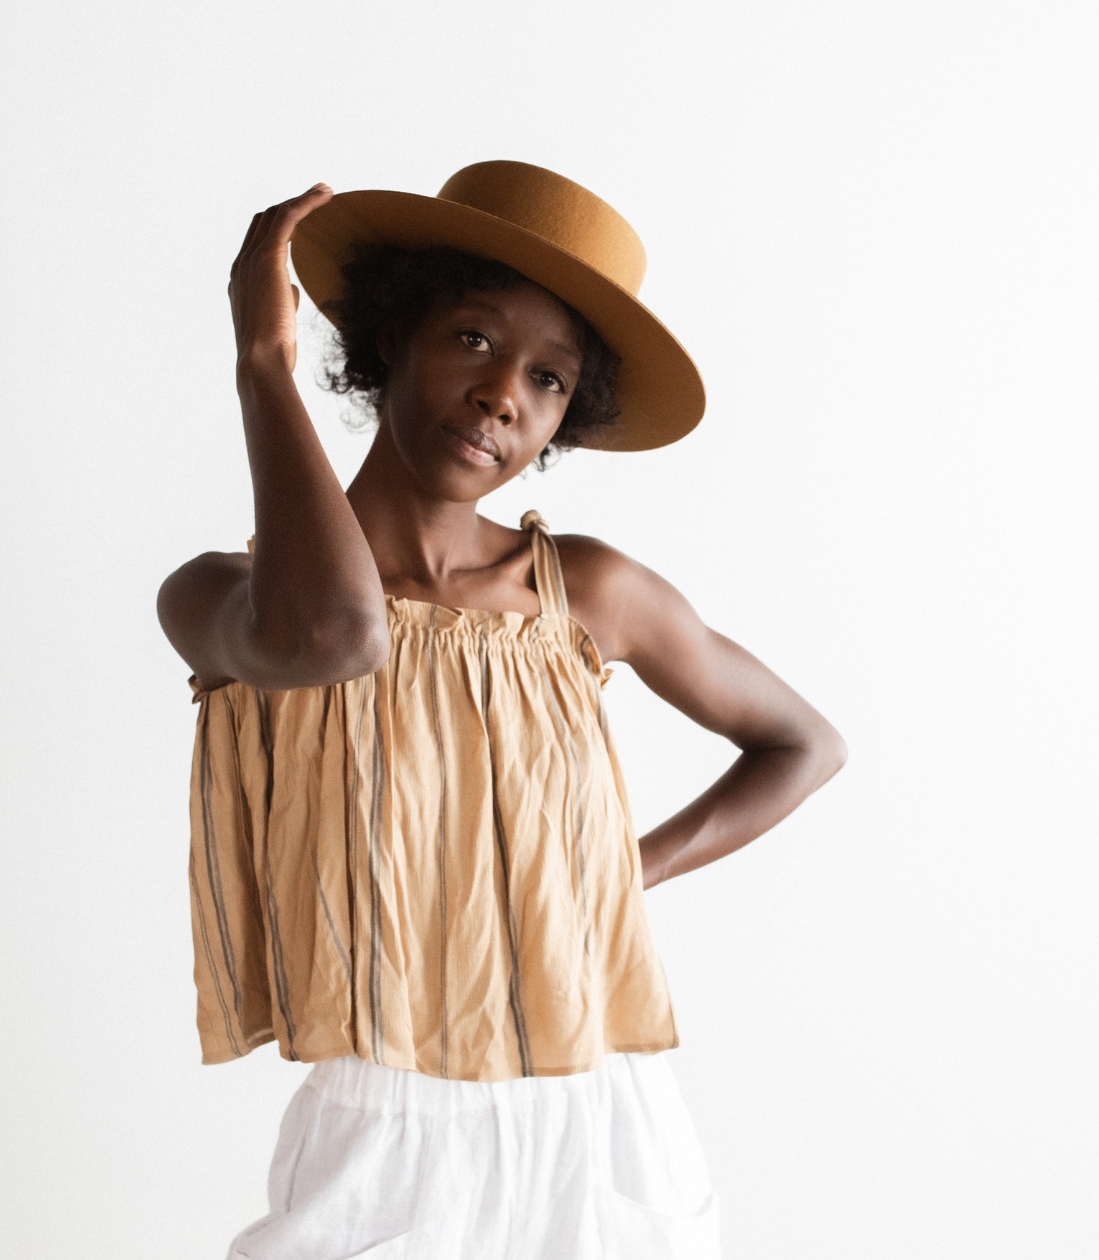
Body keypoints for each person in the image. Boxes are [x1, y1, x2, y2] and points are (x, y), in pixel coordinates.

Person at [159, 161, 846, 1260]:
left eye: (549, 381)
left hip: (603, 1112)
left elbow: (803, 744)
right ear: (390, 335)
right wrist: (261, 364)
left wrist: (621, 870)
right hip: (385, 1124)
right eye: (474, 340)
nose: (503, 398)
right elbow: (338, 636)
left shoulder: (585, 592)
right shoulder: (222, 599)